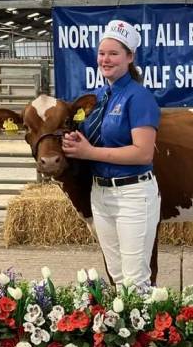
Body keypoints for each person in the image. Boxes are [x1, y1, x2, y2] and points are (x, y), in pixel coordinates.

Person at [62, 19, 161, 288]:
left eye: (114, 53)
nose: (106, 59)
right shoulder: (98, 96)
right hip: (101, 195)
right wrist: (74, 140)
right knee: (117, 278)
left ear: (130, 57)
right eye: (102, 53)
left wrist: (89, 151)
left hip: (132, 195)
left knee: (136, 281)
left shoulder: (138, 96)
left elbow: (143, 154)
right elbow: (90, 139)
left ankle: (148, 330)